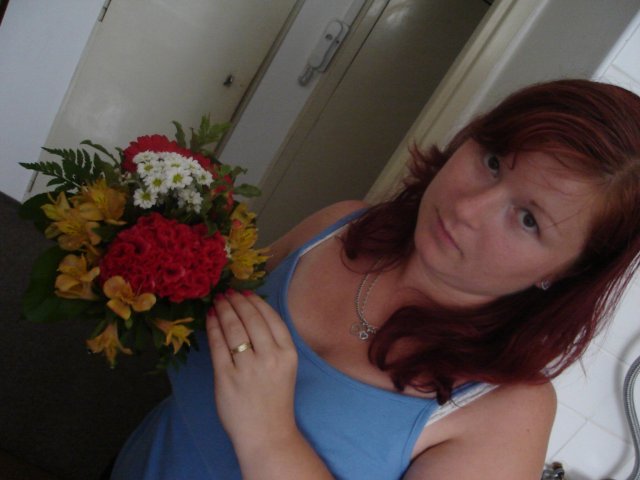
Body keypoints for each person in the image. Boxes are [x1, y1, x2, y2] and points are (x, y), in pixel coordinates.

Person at [110, 79, 640, 479]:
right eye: (494, 161)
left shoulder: (509, 411)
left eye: (527, 219)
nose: (468, 208)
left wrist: (269, 434)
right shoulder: (339, 227)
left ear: (568, 271)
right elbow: (193, 335)